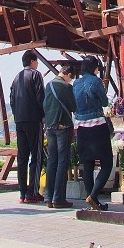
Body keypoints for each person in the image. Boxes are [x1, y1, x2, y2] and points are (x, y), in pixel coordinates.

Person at [72, 55, 112, 211]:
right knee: (107, 163)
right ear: (94, 68)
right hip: (97, 126)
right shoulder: (96, 81)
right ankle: (93, 195)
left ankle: (92, 201)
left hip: (81, 128)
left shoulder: (76, 83)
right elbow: (104, 102)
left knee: (87, 164)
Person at [10, 49, 45, 203]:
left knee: (22, 157)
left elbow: (11, 99)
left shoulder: (16, 77)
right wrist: (43, 115)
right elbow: (40, 97)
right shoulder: (36, 75)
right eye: (36, 61)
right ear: (32, 61)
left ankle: (22, 193)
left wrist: (17, 115)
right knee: (37, 156)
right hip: (33, 119)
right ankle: (32, 192)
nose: (37, 64)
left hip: (19, 120)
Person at [43, 65, 76, 209]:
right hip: (63, 126)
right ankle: (58, 198)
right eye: (71, 78)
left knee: (52, 161)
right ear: (68, 74)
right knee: (63, 161)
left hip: (50, 127)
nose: (70, 81)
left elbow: (44, 105)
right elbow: (73, 107)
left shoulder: (49, 85)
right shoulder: (66, 87)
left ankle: (48, 197)